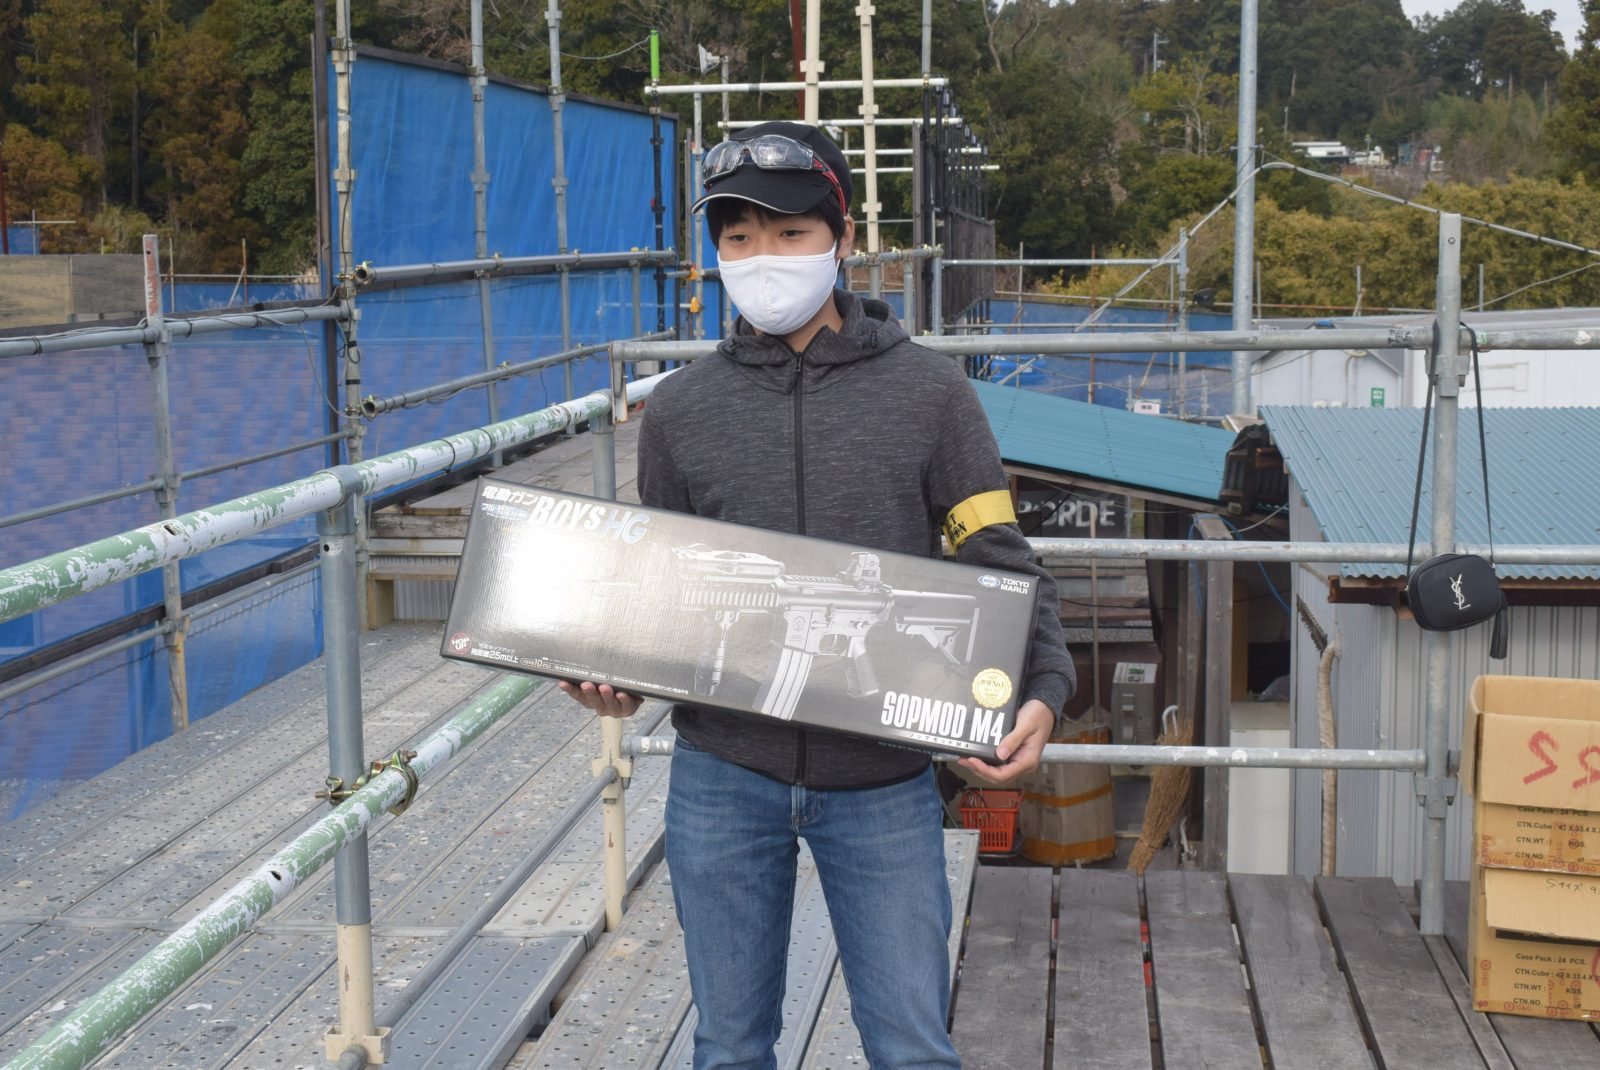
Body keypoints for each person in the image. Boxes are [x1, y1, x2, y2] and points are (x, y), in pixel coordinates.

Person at [559, 120, 1075, 1070]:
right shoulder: (680, 410)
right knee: (729, 1047)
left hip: (884, 780)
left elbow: (997, 554)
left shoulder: (930, 394)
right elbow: (663, 588)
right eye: (739, 236)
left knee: (912, 1048)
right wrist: (616, 674)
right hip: (722, 774)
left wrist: (1044, 686)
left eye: (791, 231)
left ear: (843, 239)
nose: (764, 256)